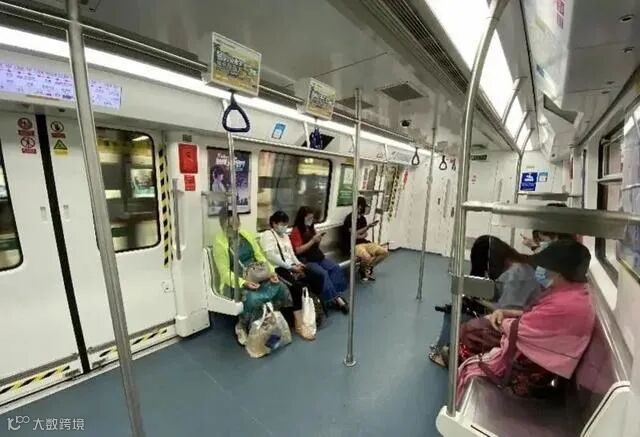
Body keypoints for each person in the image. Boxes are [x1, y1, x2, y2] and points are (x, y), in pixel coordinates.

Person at [457, 239, 595, 401]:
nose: (542, 271)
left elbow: (524, 329)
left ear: (559, 273)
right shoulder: (573, 293)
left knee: (470, 332)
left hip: (536, 365)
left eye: (546, 267)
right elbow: (536, 316)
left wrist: (501, 321)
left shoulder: (564, 303)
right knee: (472, 329)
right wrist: (506, 313)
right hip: (543, 355)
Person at [429, 235, 541, 367]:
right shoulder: (515, 266)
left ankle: (444, 351)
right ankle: (446, 346)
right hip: (517, 317)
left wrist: (480, 302)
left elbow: (506, 312)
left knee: (456, 311)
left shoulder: (516, 274)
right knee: (463, 306)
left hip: (515, 325)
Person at [213, 210, 293, 344]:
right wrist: (244, 283)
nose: (234, 228)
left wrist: (271, 272)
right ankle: (243, 325)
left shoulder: (246, 234)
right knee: (252, 298)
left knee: (280, 286)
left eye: (236, 224)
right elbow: (225, 273)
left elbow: (260, 256)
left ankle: (270, 320)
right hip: (235, 281)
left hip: (256, 273)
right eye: (230, 225)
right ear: (222, 225)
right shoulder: (220, 242)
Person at [260, 211, 324, 320]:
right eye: (282, 224)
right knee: (296, 287)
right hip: (279, 268)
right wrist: (289, 267)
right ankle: (298, 317)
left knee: (317, 276)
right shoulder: (267, 235)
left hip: (292, 265)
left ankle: (312, 304)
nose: (284, 227)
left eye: (286, 224)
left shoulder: (285, 236)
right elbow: (271, 256)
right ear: (274, 223)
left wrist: (298, 264)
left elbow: (291, 254)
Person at [290, 206, 349, 313]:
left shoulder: (311, 228)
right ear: (302, 218)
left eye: (312, 218)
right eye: (308, 218)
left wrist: (318, 240)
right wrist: (312, 240)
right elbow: (298, 250)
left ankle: (335, 294)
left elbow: (315, 246)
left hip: (317, 256)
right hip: (306, 260)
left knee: (335, 268)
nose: (310, 220)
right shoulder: (296, 231)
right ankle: (336, 299)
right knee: (323, 273)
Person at [341, 196, 389, 281]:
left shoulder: (363, 218)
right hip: (353, 244)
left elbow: (365, 234)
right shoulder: (350, 218)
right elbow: (353, 234)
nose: (365, 208)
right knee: (367, 257)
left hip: (364, 242)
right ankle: (363, 271)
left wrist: (360, 234)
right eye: (364, 206)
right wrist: (366, 228)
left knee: (384, 252)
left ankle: (366, 267)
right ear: (359, 206)